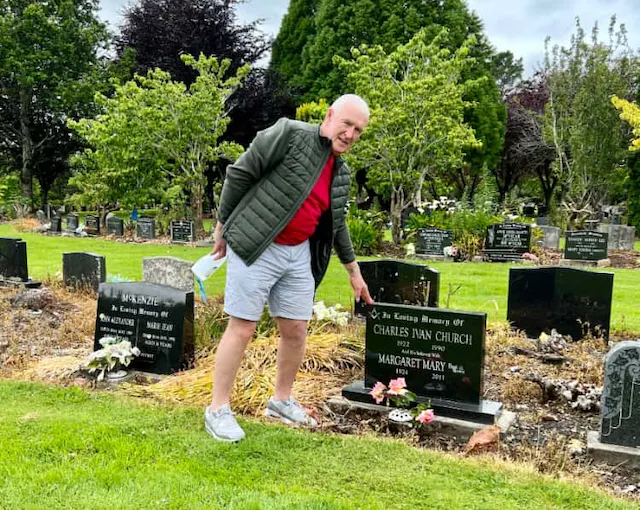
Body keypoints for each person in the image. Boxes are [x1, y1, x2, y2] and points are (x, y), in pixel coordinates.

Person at [204, 94, 374, 442]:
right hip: (257, 243)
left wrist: (354, 271)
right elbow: (239, 173)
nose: (350, 134)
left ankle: (281, 401)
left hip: (298, 252)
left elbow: (336, 225)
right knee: (243, 327)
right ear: (330, 116)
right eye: (347, 124)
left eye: (358, 130)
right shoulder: (289, 133)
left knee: (296, 328)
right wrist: (222, 226)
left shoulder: (340, 172)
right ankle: (217, 409)